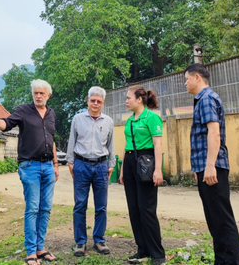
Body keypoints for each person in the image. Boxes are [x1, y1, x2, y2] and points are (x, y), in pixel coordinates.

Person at [0, 79, 59, 265]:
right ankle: (30, 252)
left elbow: (51, 140)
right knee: (33, 208)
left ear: (48, 95)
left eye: (42, 93)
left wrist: (56, 164)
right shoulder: (23, 110)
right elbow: (8, 124)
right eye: (35, 93)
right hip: (30, 167)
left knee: (46, 209)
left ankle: (40, 247)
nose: (38, 96)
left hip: (48, 167)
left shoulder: (52, 114)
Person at [184, 63, 239, 265]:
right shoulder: (202, 100)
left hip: (213, 168)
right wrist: (199, 168)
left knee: (222, 220)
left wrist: (209, 166)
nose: (185, 83)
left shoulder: (207, 99)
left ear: (197, 77)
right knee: (215, 220)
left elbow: (214, 133)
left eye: (187, 79)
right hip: (205, 167)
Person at [66, 86, 115, 257]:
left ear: (102, 103)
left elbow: (111, 144)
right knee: (80, 205)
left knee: (101, 206)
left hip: (101, 166)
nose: (95, 103)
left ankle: (99, 240)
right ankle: (80, 242)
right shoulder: (77, 119)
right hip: (81, 164)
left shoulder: (108, 121)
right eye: (92, 100)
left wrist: (111, 164)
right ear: (87, 101)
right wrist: (70, 161)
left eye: (98, 101)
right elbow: (72, 140)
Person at [120, 85, 166, 264]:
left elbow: (158, 145)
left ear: (139, 99)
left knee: (147, 210)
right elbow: (126, 146)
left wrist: (158, 170)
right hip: (131, 163)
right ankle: (142, 249)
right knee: (134, 209)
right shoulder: (129, 120)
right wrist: (123, 170)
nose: (126, 101)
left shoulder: (152, 117)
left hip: (146, 163)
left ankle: (158, 254)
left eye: (128, 98)